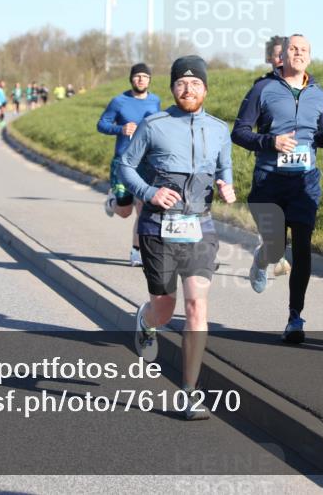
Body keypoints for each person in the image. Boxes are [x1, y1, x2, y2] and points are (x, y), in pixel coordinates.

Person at [119, 56, 235, 420]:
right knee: (165, 309)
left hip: (201, 227)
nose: (189, 89)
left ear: (205, 89)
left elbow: (225, 166)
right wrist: (150, 192)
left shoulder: (219, 129)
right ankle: (146, 321)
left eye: (196, 83)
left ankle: (189, 393)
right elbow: (126, 166)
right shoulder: (154, 125)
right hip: (158, 228)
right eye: (182, 83)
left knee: (197, 306)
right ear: (172, 88)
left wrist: (227, 185)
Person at [232, 34, 323, 343]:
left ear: (309, 56)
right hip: (269, 182)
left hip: (305, 183)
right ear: (283, 55)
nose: (298, 53)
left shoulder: (318, 93)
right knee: (276, 248)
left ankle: (295, 318)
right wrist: (271, 141)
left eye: (304, 50)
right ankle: (262, 259)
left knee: (303, 247)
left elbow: (318, 134)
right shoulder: (262, 89)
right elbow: (239, 132)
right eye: (293, 48)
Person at [96, 63, 162, 266]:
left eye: (145, 76)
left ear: (149, 80)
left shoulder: (155, 101)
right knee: (125, 211)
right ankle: (111, 202)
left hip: (145, 162)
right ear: (131, 79)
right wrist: (120, 129)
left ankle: (136, 252)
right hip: (123, 161)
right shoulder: (119, 101)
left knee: (142, 208)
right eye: (137, 76)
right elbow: (101, 124)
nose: (141, 79)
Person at [259, 35, 293, 279]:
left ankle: (274, 253)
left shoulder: (306, 85)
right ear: (269, 58)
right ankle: (268, 258)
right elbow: (244, 130)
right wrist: (272, 140)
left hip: (297, 165)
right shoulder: (261, 86)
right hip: (269, 163)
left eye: (285, 53)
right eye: (277, 54)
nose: (282, 58)